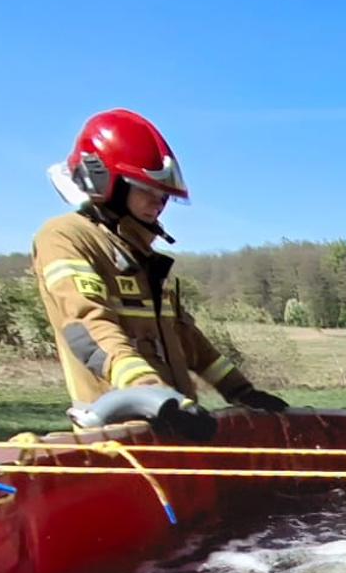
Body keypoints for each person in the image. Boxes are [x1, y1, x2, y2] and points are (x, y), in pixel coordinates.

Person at [34, 108, 286, 426]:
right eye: (147, 189)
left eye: (163, 193)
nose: (160, 201)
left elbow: (186, 339)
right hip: (120, 430)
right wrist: (152, 394)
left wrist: (239, 390)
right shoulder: (66, 237)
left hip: (173, 420)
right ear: (106, 182)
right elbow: (88, 328)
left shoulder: (139, 252)